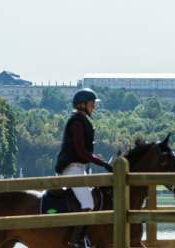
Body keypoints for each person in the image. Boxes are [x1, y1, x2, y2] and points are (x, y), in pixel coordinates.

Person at [55, 88, 112, 248]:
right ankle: (76, 241)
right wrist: (102, 163)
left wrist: (98, 159)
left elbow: (84, 152)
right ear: (82, 105)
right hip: (71, 168)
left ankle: (82, 238)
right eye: (92, 103)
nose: (94, 106)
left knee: (89, 200)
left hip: (79, 167)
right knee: (88, 203)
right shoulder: (77, 123)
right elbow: (80, 151)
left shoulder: (81, 120)